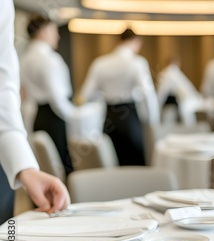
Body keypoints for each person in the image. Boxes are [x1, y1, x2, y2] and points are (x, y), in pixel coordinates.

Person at [0, 0, 70, 223]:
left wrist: (24, 166)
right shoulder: (48, 59)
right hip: (53, 115)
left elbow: (4, 86)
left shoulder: (27, 55)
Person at [79, 28, 159, 166]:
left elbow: (85, 96)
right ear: (136, 42)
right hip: (129, 117)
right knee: (135, 164)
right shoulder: (137, 62)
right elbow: (148, 94)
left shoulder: (100, 63)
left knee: (111, 163)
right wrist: (153, 122)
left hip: (109, 118)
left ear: (118, 41)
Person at [20, 14, 76, 175]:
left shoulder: (25, 58)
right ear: (43, 31)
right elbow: (57, 98)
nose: (57, 35)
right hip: (54, 117)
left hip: (39, 116)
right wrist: (76, 117)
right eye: (54, 31)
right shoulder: (49, 59)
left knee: (45, 166)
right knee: (60, 167)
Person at [156, 56, 201, 126]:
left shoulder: (169, 73)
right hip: (180, 101)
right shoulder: (173, 73)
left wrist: (157, 104)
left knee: (168, 124)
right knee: (187, 123)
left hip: (179, 102)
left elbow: (162, 92)